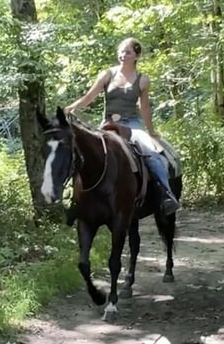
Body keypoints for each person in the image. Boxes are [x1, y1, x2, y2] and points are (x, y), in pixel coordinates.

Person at [64, 37, 181, 215]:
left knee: (150, 151)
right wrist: (73, 106)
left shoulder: (143, 80)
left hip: (132, 124)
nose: (123, 55)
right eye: (121, 51)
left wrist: (151, 131)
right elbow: (90, 97)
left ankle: (166, 193)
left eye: (127, 52)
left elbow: (144, 107)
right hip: (108, 123)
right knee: (84, 150)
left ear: (136, 55)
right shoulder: (107, 74)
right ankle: (74, 199)